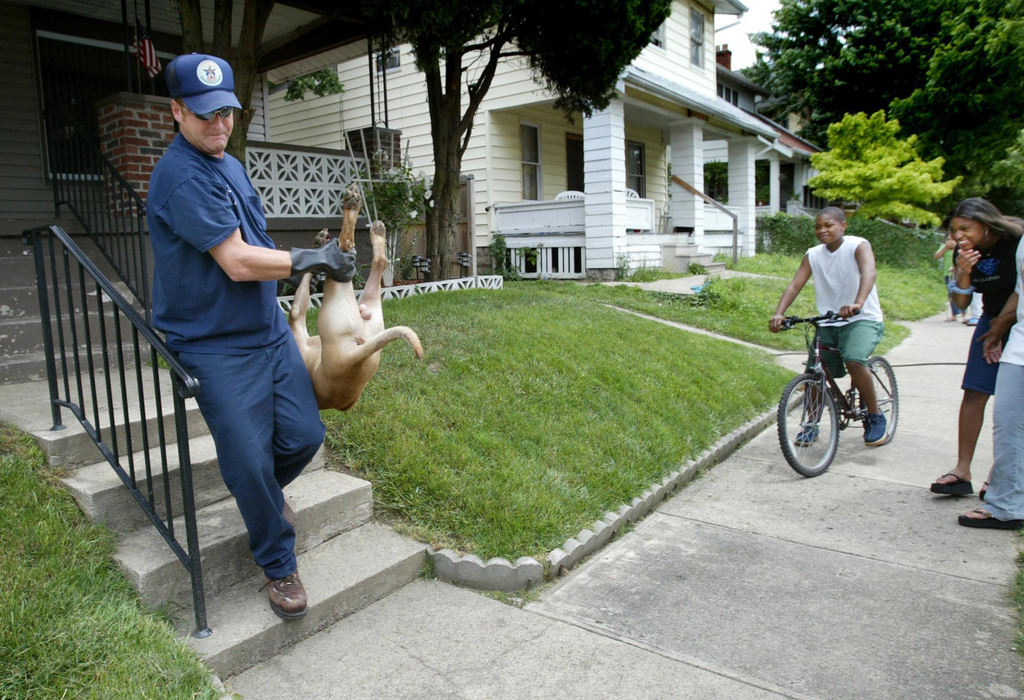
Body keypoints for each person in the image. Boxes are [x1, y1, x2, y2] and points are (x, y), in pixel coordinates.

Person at [147, 53, 358, 619]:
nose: (218, 125)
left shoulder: (232, 167)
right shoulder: (177, 176)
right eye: (203, 114)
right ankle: (278, 562)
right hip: (212, 344)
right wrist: (310, 257)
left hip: (263, 329)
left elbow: (257, 247)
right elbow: (239, 261)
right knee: (246, 457)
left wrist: (303, 268)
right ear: (176, 111)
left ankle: (259, 492)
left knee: (304, 436)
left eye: (227, 113)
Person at [769, 206, 887, 446]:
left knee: (854, 359)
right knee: (815, 373)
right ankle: (811, 424)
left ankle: (874, 415)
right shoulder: (813, 254)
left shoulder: (857, 245)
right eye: (818, 226)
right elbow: (794, 285)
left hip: (861, 318)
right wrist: (779, 313)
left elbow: (869, 272)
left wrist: (858, 303)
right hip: (829, 321)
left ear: (843, 225)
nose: (822, 230)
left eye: (828, 225)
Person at [929, 198, 1023, 498]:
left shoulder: (1017, 240)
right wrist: (964, 271)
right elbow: (961, 303)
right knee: (974, 390)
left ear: (985, 223)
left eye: (965, 229)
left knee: (1013, 402)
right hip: (990, 320)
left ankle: (1000, 474)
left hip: (1019, 320)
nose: (958, 237)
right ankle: (962, 470)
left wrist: (1003, 325)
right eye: (954, 231)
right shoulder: (963, 249)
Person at [959, 237, 1024, 529]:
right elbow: (1019, 292)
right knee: (1008, 424)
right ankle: (1006, 504)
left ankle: (1007, 503)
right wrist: (999, 326)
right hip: (1019, 345)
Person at [934, 233, 966, 322]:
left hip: (960, 274)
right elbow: (936, 256)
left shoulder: (960, 248)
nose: (950, 242)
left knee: (962, 292)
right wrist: (946, 247)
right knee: (951, 294)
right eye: (948, 240)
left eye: (952, 240)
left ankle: (964, 314)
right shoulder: (945, 248)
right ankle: (955, 314)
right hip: (948, 275)